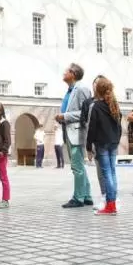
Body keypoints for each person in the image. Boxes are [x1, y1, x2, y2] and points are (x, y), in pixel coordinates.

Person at [55, 63, 93, 208]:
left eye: (66, 71)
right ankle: (87, 195)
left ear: (73, 74)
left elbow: (86, 112)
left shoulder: (81, 89)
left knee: (77, 167)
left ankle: (78, 198)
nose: (64, 73)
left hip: (77, 132)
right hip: (69, 131)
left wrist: (64, 116)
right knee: (79, 166)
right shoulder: (70, 90)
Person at [86, 76, 122, 216]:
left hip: (101, 144)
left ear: (98, 90)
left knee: (106, 174)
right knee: (112, 172)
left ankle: (110, 205)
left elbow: (92, 128)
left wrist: (89, 147)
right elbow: (119, 126)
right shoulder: (114, 105)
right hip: (113, 143)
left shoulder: (96, 106)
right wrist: (117, 140)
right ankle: (113, 203)